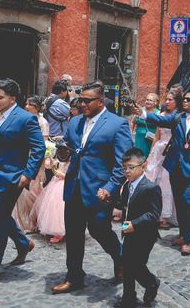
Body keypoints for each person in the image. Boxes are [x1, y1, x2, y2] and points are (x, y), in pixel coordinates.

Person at [52, 81, 131, 294]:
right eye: (80, 100)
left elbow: (122, 163)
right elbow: (66, 148)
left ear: (100, 100)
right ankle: (74, 276)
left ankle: (120, 257)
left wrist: (111, 187)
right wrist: (61, 153)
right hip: (74, 186)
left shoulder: (117, 124)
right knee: (74, 234)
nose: (82, 104)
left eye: (87, 100)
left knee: (100, 231)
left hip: (99, 190)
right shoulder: (75, 121)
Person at [0, 79, 46, 289]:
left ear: (13, 99)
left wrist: (27, 175)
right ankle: (24, 243)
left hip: (13, 178)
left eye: (0, 97)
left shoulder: (25, 119)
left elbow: (38, 148)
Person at [144, 90, 190, 256]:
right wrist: (142, 113)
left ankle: (187, 240)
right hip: (175, 167)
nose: (184, 101)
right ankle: (182, 233)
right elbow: (160, 119)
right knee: (179, 202)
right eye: (184, 99)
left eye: (189, 99)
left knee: (188, 202)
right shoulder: (178, 118)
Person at [116, 148, 162, 308]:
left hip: (144, 234)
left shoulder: (151, 187)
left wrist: (135, 224)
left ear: (143, 166)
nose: (127, 171)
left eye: (131, 167)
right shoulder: (127, 186)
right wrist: (108, 200)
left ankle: (151, 283)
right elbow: (124, 205)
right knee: (127, 265)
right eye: (124, 168)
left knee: (136, 266)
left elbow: (154, 213)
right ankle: (128, 298)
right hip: (127, 231)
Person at [143, 89, 182, 228]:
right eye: (166, 99)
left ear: (177, 101)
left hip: (171, 150)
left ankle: (166, 215)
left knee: (167, 182)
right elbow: (157, 135)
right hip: (159, 150)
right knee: (153, 179)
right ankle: (153, 212)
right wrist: (150, 155)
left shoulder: (180, 116)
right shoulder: (161, 114)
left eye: (170, 99)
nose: (167, 102)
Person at [12, 96, 49, 233]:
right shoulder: (23, 119)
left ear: (37, 107)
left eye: (30, 104)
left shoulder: (42, 122)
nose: (26, 106)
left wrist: (43, 165)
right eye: (26, 103)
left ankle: (34, 221)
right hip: (22, 159)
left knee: (33, 191)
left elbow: (44, 146)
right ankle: (23, 222)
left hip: (35, 162)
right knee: (22, 192)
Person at [33, 144, 70, 243]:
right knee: (52, 208)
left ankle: (60, 232)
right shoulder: (60, 161)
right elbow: (56, 172)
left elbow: (66, 176)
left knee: (60, 210)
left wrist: (58, 172)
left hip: (64, 185)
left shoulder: (71, 163)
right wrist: (54, 167)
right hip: (56, 183)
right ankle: (57, 232)